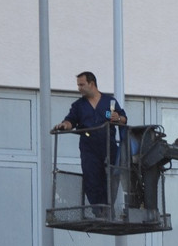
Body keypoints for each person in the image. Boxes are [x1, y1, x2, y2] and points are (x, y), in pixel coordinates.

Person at [53, 71, 127, 207]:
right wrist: (64, 125)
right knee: (91, 178)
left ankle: (108, 208)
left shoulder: (109, 102)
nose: (79, 88)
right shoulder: (78, 106)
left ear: (91, 84)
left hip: (108, 146)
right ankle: (98, 209)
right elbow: (70, 121)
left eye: (82, 85)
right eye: (78, 85)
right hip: (89, 148)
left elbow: (123, 119)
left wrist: (118, 118)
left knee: (112, 178)